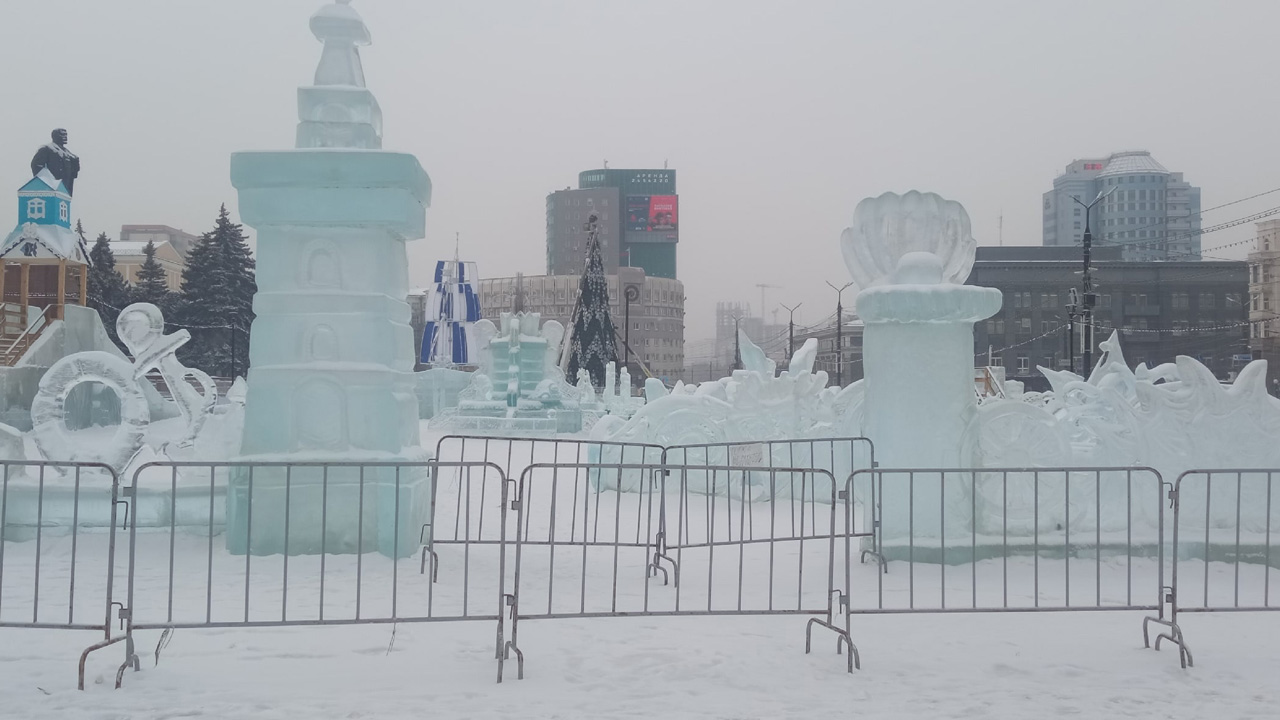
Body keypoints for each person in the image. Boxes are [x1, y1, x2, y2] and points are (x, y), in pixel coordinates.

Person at [31, 128, 81, 195]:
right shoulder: (47, 148)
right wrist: (46, 181)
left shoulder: (68, 152)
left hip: (66, 184)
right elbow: (36, 165)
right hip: (53, 184)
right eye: (62, 135)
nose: (65, 137)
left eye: (66, 135)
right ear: (54, 136)